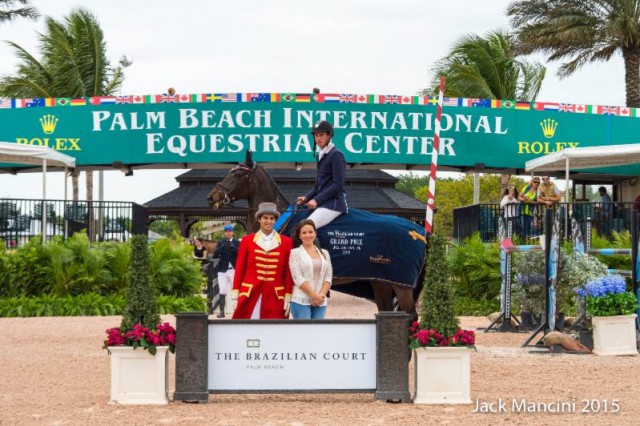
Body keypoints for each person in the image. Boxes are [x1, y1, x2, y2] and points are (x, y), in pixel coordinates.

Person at [230, 202, 294, 319]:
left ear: (275, 220)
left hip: (275, 295)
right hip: (250, 292)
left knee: (273, 331)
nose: (268, 221)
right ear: (259, 219)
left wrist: (288, 296)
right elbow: (239, 269)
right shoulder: (246, 241)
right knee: (247, 329)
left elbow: (288, 273)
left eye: (271, 218)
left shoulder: (286, 242)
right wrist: (235, 295)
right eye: (265, 218)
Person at [296, 120, 348, 229]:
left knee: (306, 228)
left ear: (329, 135)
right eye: (316, 135)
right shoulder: (322, 155)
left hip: (334, 204)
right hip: (324, 202)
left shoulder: (336, 155)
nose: (318, 138)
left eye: (321, 135)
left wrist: (316, 200)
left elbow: (338, 184)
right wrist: (307, 197)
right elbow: (318, 186)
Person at [288, 219, 332, 319]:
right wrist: (314, 296)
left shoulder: (324, 253)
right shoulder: (295, 253)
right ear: (299, 236)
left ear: (315, 233)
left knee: (318, 334)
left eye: (310, 232)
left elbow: (328, 277)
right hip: (301, 301)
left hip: (321, 301)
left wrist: (321, 296)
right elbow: (298, 278)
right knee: (303, 333)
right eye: (304, 233)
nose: (308, 235)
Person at [212, 224, 239, 318]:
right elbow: (215, 254)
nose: (228, 233)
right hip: (222, 270)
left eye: (229, 231)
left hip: (233, 270)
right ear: (224, 233)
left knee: (235, 290)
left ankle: (237, 311)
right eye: (226, 231)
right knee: (222, 290)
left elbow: (241, 253)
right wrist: (222, 247)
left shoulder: (236, 242)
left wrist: (233, 247)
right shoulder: (220, 242)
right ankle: (221, 311)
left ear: (232, 232)